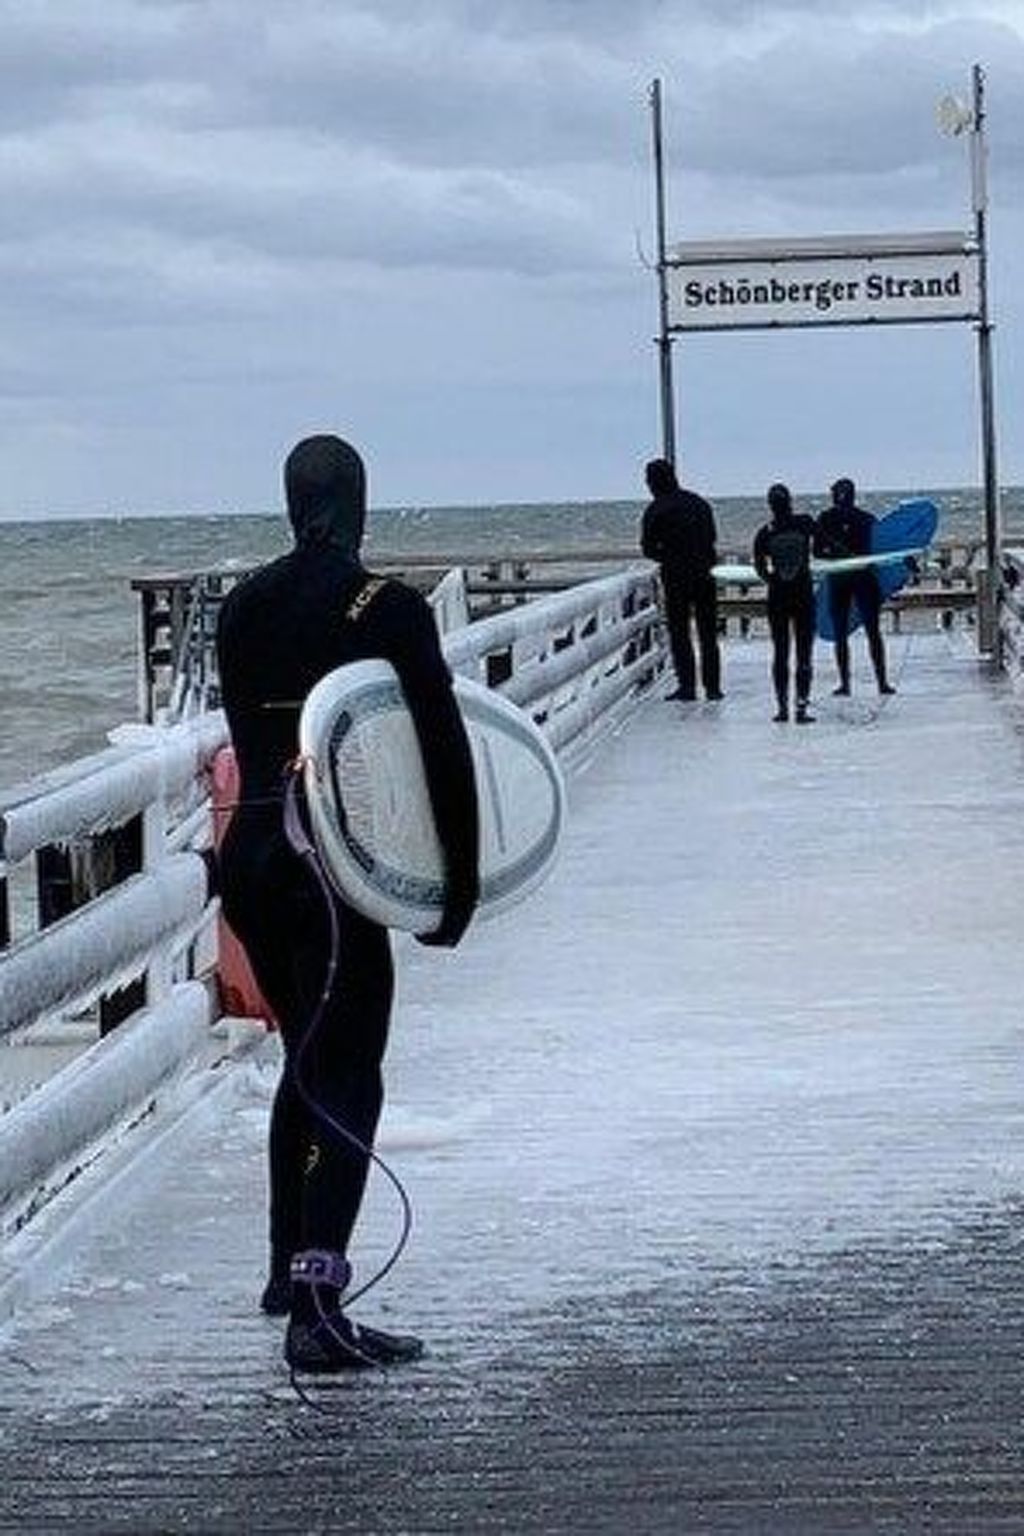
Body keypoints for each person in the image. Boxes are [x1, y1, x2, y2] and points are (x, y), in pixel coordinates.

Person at [216, 433, 479, 1374]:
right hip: (329, 867)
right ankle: (320, 1311)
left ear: (293, 505)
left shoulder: (241, 607)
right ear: (359, 505)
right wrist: (458, 883)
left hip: (250, 859)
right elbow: (441, 747)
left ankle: (285, 1271)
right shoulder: (388, 608)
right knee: (351, 1076)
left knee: (306, 1057)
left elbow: (250, 736)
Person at [640, 458, 722, 701]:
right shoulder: (699, 503)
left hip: (676, 577)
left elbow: (647, 548)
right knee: (708, 632)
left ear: (654, 482)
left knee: (680, 632)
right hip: (704, 574)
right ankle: (713, 687)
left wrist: (668, 555)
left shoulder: (656, 510)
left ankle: (687, 686)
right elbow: (712, 537)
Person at [816, 477, 894, 696]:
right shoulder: (864, 519)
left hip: (847, 579)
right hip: (856, 578)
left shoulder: (828, 519)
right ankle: (878, 683)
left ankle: (852, 684)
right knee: (865, 632)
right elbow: (883, 549)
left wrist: (834, 555)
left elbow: (818, 552)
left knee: (862, 632)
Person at [752, 483, 818, 724]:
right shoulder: (804, 523)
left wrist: (773, 580)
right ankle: (801, 708)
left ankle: (782, 709)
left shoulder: (764, 532)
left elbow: (760, 568)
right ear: (790, 501)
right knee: (804, 653)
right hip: (803, 594)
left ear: (770, 506)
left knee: (780, 652)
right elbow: (827, 545)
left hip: (778, 596)